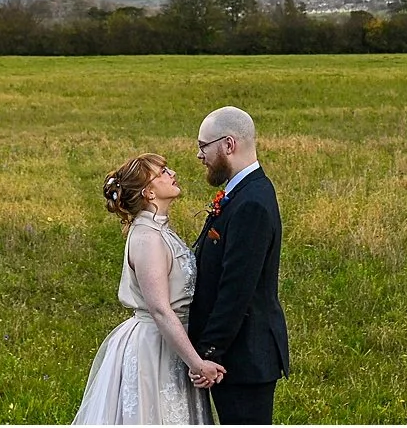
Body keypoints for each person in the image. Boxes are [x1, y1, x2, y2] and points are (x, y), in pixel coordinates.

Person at [74, 153, 225, 424]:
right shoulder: (148, 238)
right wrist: (196, 363)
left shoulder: (160, 229)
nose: (172, 173)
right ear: (149, 192)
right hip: (155, 347)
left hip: (174, 342)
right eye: (163, 172)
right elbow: (159, 309)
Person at [189, 107, 289, 425]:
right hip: (236, 356)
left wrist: (208, 352)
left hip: (244, 358)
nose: (199, 155)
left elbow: (236, 288)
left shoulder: (252, 203)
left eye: (203, 146)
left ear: (228, 144)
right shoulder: (242, 192)